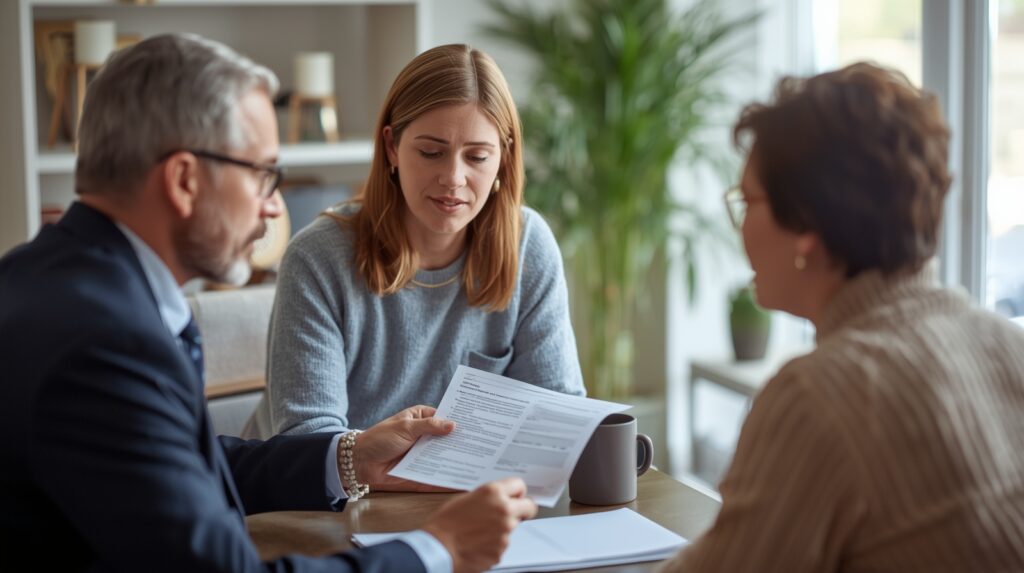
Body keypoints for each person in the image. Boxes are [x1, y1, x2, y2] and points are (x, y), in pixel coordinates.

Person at [0, 33, 537, 572]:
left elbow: (177, 466)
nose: (275, 207)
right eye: (262, 174)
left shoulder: (52, 284)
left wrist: (348, 458)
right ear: (184, 180)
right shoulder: (104, 342)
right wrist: (438, 549)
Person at [659, 63, 1024, 572]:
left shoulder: (816, 397)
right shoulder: (1009, 345)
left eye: (747, 202)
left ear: (805, 225)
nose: (739, 228)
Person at [244, 44, 585, 439]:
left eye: (476, 157)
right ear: (391, 147)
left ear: (504, 160)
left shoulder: (528, 245)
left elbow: (558, 415)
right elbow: (306, 443)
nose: (453, 178)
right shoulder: (318, 259)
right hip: (324, 498)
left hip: (460, 493)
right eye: (430, 152)